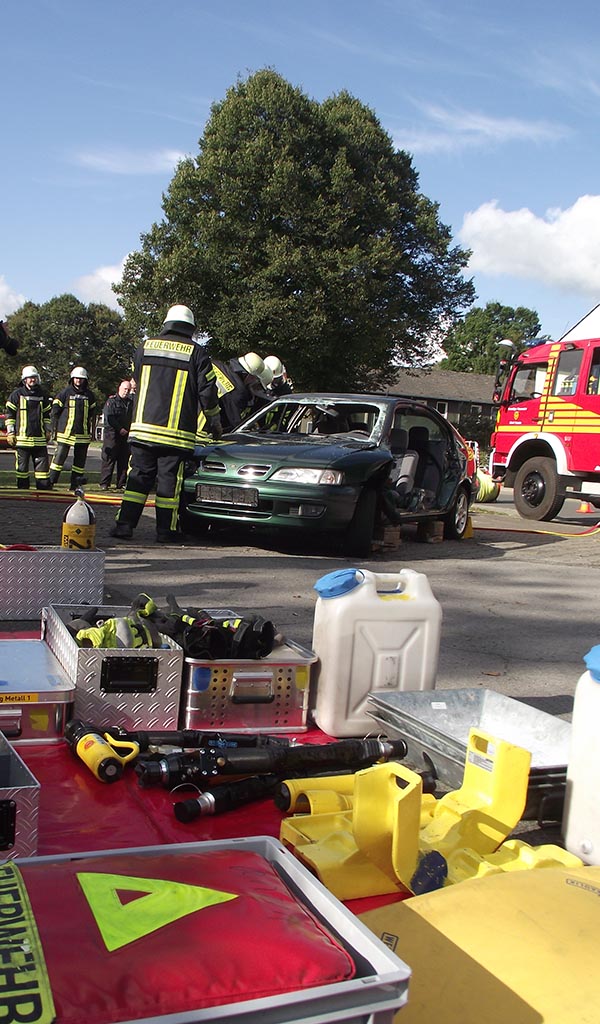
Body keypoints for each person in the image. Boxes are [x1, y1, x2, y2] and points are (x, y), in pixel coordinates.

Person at [110, 304, 221, 544]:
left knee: (137, 479)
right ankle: (165, 531)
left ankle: (124, 526)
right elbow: (208, 393)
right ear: (191, 327)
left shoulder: (145, 347)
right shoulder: (198, 353)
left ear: (167, 323)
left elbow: (137, 379)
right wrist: (214, 421)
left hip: (142, 429)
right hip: (176, 435)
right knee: (169, 483)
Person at [48, 367, 97, 490]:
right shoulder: (64, 393)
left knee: (79, 463)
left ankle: (75, 485)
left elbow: (91, 413)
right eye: (76, 378)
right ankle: (51, 482)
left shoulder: (89, 395)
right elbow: (55, 411)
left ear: (85, 380)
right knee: (58, 459)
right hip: (65, 433)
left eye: (81, 379)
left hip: (83, 434)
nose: (78, 381)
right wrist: (54, 427)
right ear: (72, 379)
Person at [5, 365, 52, 489]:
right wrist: (10, 433)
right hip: (22, 440)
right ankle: (23, 492)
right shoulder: (16, 395)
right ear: (24, 380)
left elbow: (47, 415)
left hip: (39, 440)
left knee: (42, 472)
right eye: (30, 378)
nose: (32, 380)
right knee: (22, 470)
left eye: (34, 377)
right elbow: (10, 416)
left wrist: (48, 430)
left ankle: (43, 493)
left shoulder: (43, 395)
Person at [99, 379, 133, 490]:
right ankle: (104, 483)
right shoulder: (112, 401)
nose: (126, 392)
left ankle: (121, 483)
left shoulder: (131, 402)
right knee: (109, 460)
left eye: (128, 390)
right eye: (125, 389)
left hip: (126, 436)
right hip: (112, 435)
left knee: (123, 461)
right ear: (119, 388)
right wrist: (120, 429)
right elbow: (110, 418)